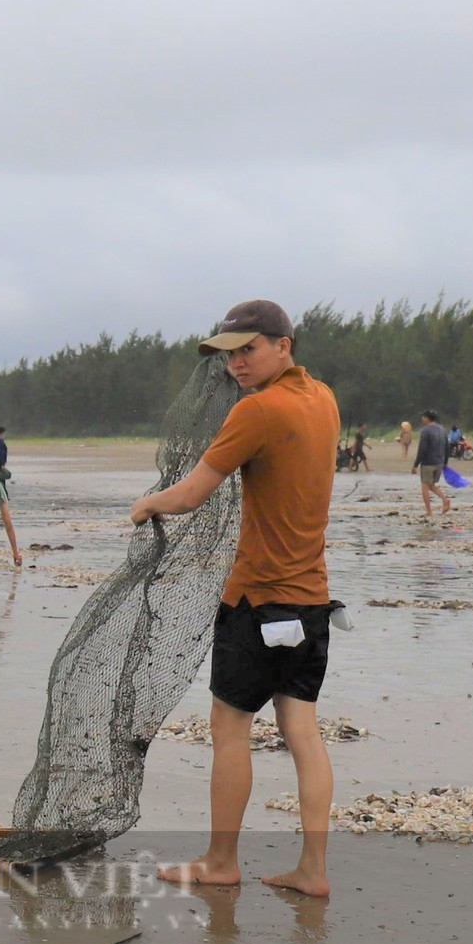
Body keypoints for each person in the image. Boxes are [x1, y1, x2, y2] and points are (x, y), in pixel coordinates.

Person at [131, 298, 339, 897]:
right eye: (228, 354)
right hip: (312, 604)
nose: (236, 364)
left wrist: (147, 503)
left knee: (230, 729)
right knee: (302, 730)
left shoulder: (259, 411)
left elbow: (192, 493)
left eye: (248, 349)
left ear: (283, 345)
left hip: (256, 604)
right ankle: (313, 870)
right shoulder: (322, 398)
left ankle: (222, 861)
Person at [414, 410, 453, 519]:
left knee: (425, 487)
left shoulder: (425, 431)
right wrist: (445, 463)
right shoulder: (442, 429)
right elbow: (447, 447)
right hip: (439, 462)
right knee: (431, 485)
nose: (422, 419)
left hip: (428, 462)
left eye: (423, 417)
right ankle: (445, 500)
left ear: (427, 418)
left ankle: (429, 511)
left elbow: (422, 449)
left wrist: (416, 464)